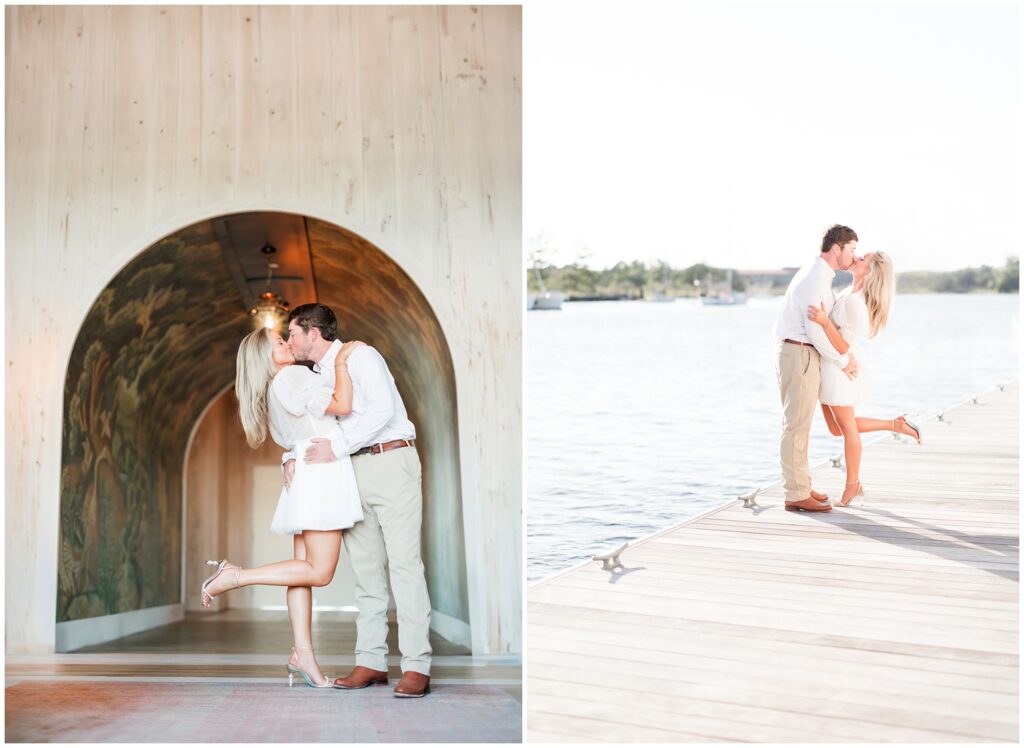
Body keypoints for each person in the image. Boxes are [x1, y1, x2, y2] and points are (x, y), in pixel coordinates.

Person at [200, 327, 365, 688]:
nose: (287, 344)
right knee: (319, 572)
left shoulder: (274, 389)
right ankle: (236, 576)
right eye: (279, 342)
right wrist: (341, 361)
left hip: (307, 471)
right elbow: (342, 405)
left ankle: (302, 655)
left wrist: (288, 459)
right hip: (322, 474)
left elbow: (294, 438)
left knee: (303, 572)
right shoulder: (292, 376)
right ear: (265, 356)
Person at [283, 303, 433, 699]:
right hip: (348, 473)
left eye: (293, 333)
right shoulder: (313, 376)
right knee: (365, 570)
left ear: (313, 332)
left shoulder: (361, 355)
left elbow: (383, 411)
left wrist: (338, 447)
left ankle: (417, 665)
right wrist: (289, 457)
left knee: (404, 564)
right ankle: (371, 661)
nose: (289, 341)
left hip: (390, 460)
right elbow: (306, 424)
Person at [808, 251, 920, 506]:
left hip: (841, 369)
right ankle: (895, 424)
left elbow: (842, 345)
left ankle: (852, 486)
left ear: (869, 272)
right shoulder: (850, 293)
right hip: (832, 365)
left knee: (846, 429)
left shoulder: (855, 302)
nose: (856, 258)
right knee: (836, 428)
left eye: (862, 260)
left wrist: (825, 323)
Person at [773, 224, 860, 512]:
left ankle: (801, 484)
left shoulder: (819, 275)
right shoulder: (815, 278)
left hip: (800, 353)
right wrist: (842, 360)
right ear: (837, 248)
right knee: (796, 424)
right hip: (799, 353)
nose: (853, 256)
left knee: (801, 424)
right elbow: (815, 330)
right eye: (852, 250)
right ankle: (796, 493)